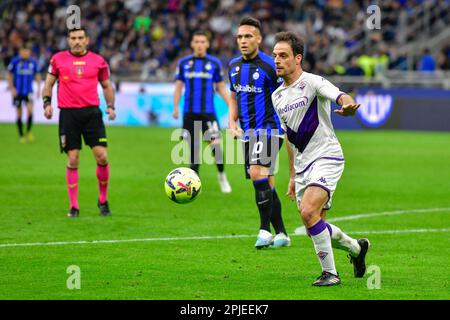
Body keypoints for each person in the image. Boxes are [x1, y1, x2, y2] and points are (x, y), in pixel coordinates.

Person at [271, 31, 370, 286]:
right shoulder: (277, 96)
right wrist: (293, 175)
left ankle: (331, 275)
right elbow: (289, 138)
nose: (277, 60)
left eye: (283, 55)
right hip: (304, 165)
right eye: (275, 56)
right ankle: (357, 250)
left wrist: (348, 105)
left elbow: (340, 95)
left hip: (327, 156)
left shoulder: (313, 82)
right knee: (313, 225)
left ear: (297, 58)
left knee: (307, 211)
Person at [228, 17, 290, 249]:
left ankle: (264, 231)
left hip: (270, 130)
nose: (243, 41)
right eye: (240, 37)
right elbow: (234, 96)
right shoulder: (233, 66)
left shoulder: (270, 66)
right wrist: (231, 120)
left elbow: (285, 95)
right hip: (248, 133)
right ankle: (282, 233)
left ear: (259, 39)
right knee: (267, 182)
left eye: (248, 36)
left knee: (256, 173)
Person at [42, 28, 116, 218]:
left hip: (92, 114)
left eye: (80, 38)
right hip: (68, 115)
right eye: (73, 38)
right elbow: (48, 84)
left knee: (102, 157)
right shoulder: (57, 59)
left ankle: (102, 200)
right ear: (68, 40)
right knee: (73, 158)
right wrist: (47, 104)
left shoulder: (98, 61)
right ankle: (74, 206)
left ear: (87, 40)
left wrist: (110, 106)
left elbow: (107, 85)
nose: (77, 41)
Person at [173, 30, 232, 193]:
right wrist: (175, 107)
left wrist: (231, 106)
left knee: (216, 148)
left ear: (207, 44)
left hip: (208, 113)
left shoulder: (214, 63)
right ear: (192, 44)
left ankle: (222, 176)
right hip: (189, 114)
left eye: (202, 42)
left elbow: (220, 87)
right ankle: (193, 185)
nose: (199, 44)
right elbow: (178, 87)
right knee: (194, 151)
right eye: (196, 41)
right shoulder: (184, 63)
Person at [6, 43, 41, 143]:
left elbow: (37, 75)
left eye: (26, 51)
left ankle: (28, 132)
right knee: (19, 114)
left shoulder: (33, 62)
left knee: (30, 111)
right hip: (18, 92)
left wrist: (38, 88)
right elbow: (9, 75)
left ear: (29, 52)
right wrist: (12, 88)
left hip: (28, 91)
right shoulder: (15, 61)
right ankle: (21, 135)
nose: (24, 53)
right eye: (23, 51)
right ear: (20, 52)